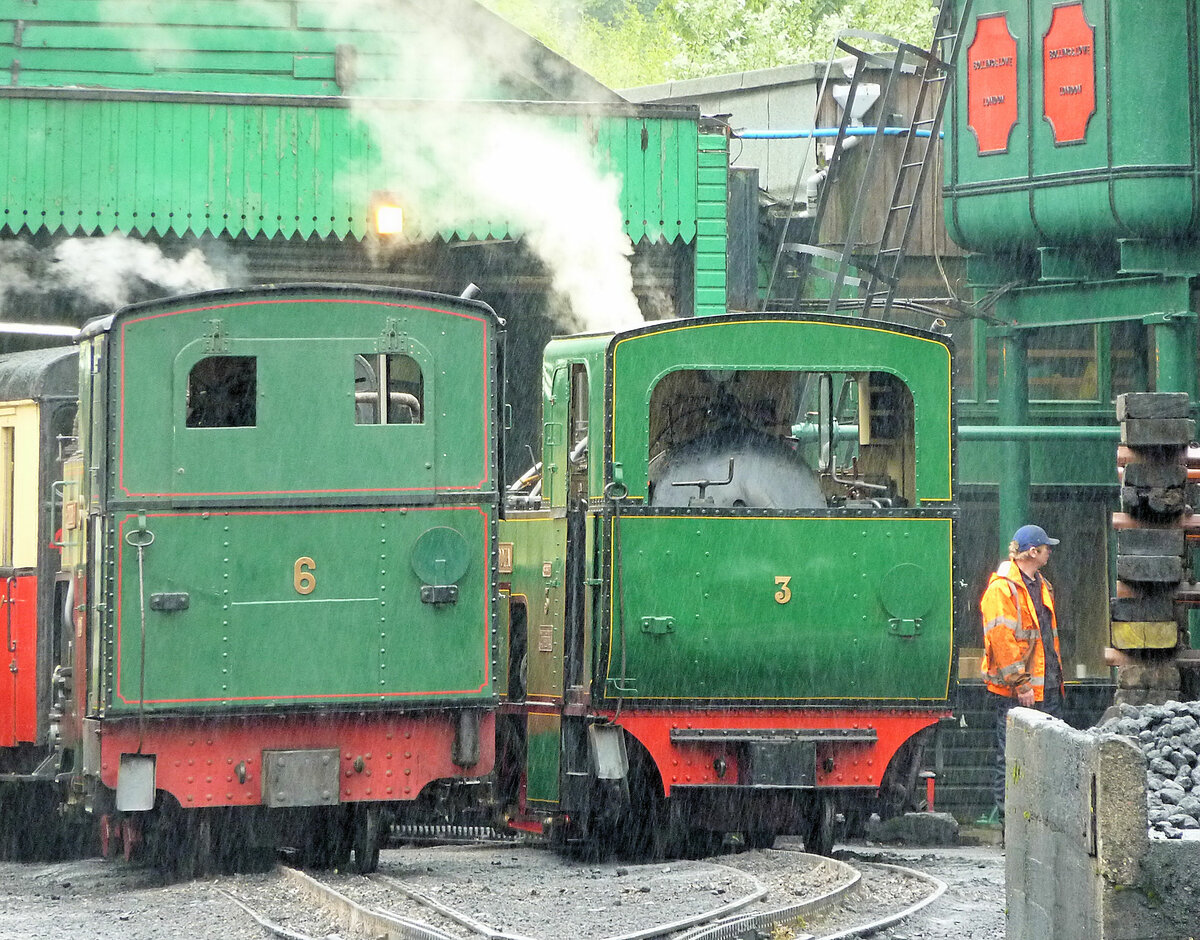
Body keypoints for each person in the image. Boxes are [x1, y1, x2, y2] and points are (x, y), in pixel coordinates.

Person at [979, 524, 1066, 821]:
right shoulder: (1001, 589)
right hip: (1018, 692)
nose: (1049, 552)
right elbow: (1001, 640)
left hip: (1045, 688)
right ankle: (1010, 822)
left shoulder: (1041, 585)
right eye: (1046, 547)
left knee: (1041, 756)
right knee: (1012, 756)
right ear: (1033, 552)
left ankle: (1037, 819)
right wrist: (1021, 683)